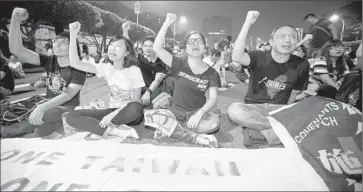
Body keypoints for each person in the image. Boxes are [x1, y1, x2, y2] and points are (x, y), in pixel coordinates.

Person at [228, 11, 310, 146]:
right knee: (234, 110)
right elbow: (236, 57)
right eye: (282, 36)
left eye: (293, 36)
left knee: (310, 114)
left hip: (280, 109)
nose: (288, 40)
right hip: (254, 108)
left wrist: (287, 112)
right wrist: (247, 23)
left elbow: (295, 92)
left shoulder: (302, 64)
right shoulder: (259, 56)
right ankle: (280, 131)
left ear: (297, 42)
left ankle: (261, 134)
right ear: (272, 41)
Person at [9, 7, 87, 138]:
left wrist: (42, 107)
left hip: (67, 109)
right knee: (21, 112)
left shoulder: (79, 68)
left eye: (62, 43)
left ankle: (9, 131)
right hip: (47, 105)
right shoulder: (49, 60)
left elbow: (67, 95)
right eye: (55, 41)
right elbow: (17, 50)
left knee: (42, 116)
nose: (56, 45)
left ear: (73, 47)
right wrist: (15, 19)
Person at [65, 22, 144, 140]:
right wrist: (72, 33)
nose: (112, 48)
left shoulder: (134, 70)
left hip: (128, 113)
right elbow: (75, 63)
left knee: (136, 107)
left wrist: (113, 115)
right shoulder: (106, 67)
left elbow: (135, 101)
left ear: (127, 53)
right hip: (111, 110)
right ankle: (115, 131)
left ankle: (101, 128)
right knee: (71, 116)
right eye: (111, 45)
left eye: (118, 46)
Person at [152, 13, 221, 147]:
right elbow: (157, 48)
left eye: (199, 41)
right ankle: (195, 138)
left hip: (197, 113)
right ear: (186, 48)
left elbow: (213, 98)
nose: (195, 44)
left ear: (204, 48)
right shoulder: (178, 63)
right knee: (153, 116)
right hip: (175, 111)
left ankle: (171, 129)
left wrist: (200, 114)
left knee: (214, 123)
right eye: (191, 41)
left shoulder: (212, 73)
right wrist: (167, 23)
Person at [121, 21, 168, 108]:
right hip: (139, 88)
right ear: (142, 47)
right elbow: (129, 45)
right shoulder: (139, 57)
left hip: (154, 89)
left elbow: (157, 81)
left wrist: (148, 93)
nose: (147, 48)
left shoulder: (161, 62)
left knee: (145, 105)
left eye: (150, 46)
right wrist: (125, 30)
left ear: (155, 47)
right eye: (145, 46)